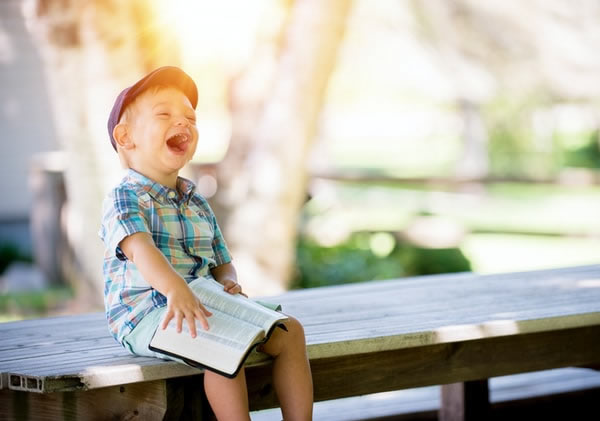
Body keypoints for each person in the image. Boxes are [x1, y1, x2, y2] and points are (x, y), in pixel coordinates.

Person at [99, 66, 313, 420]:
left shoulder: (195, 199)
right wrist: (176, 289)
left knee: (291, 332)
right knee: (222, 344)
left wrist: (228, 279)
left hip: (202, 300)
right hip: (148, 313)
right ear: (125, 137)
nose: (182, 122)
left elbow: (220, 258)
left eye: (190, 117)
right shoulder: (125, 197)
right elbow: (142, 251)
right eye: (164, 114)